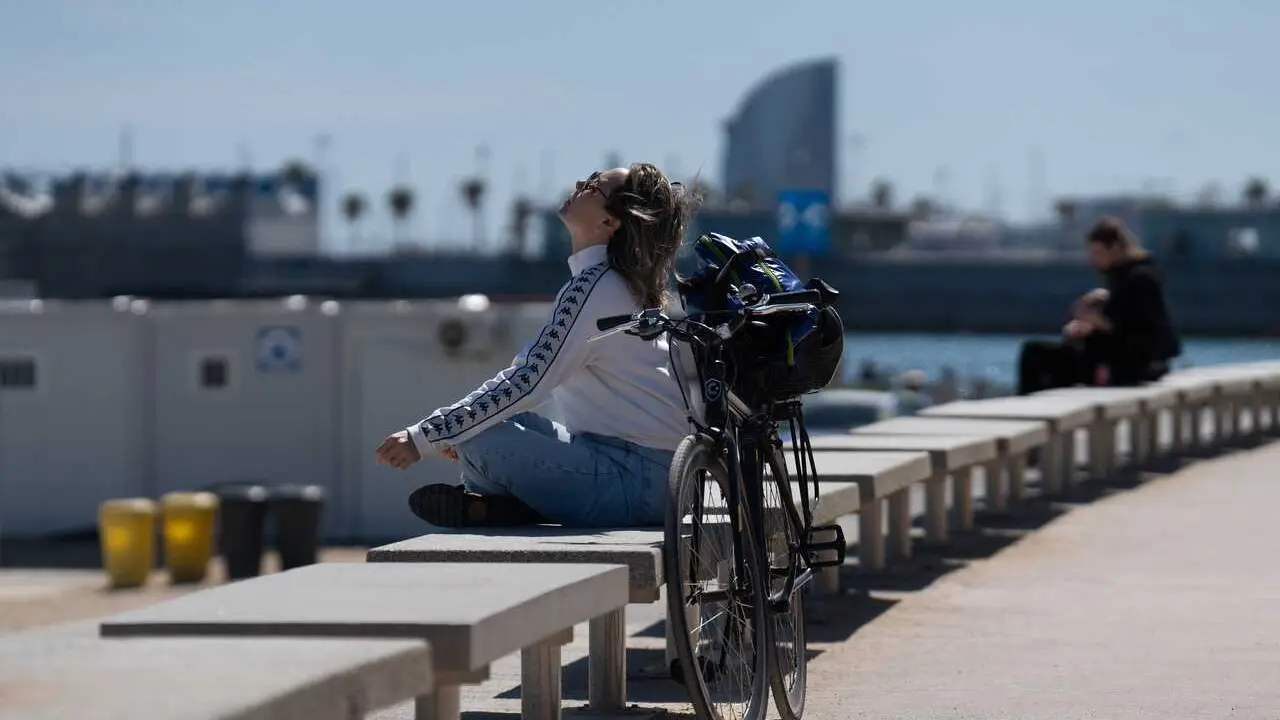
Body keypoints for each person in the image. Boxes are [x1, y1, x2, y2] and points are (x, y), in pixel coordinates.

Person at [374, 164, 693, 528]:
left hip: (635, 481)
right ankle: (506, 507)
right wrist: (457, 429)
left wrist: (425, 436)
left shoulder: (595, 288)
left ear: (609, 222)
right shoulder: (617, 284)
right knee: (499, 425)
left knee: (478, 439)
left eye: (593, 185)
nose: (580, 183)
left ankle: (499, 506)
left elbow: (527, 380)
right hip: (649, 474)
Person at [1017, 216, 1181, 394]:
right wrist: (1087, 326)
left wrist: (1093, 319)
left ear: (1115, 248)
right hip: (1124, 361)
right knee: (1056, 359)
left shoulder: (1138, 279)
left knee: (1034, 353)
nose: (1093, 259)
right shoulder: (1129, 275)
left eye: (1098, 253)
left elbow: (1132, 331)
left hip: (1129, 366)